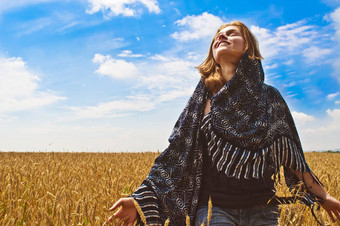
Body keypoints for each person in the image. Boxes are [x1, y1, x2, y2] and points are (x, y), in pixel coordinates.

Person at [104, 21, 340, 226]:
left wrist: (323, 196)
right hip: (214, 210)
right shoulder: (203, 99)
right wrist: (140, 198)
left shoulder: (270, 98)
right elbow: (176, 154)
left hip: (265, 210)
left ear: (247, 46)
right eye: (218, 36)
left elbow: (292, 156)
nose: (221, 37)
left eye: (232, 33)